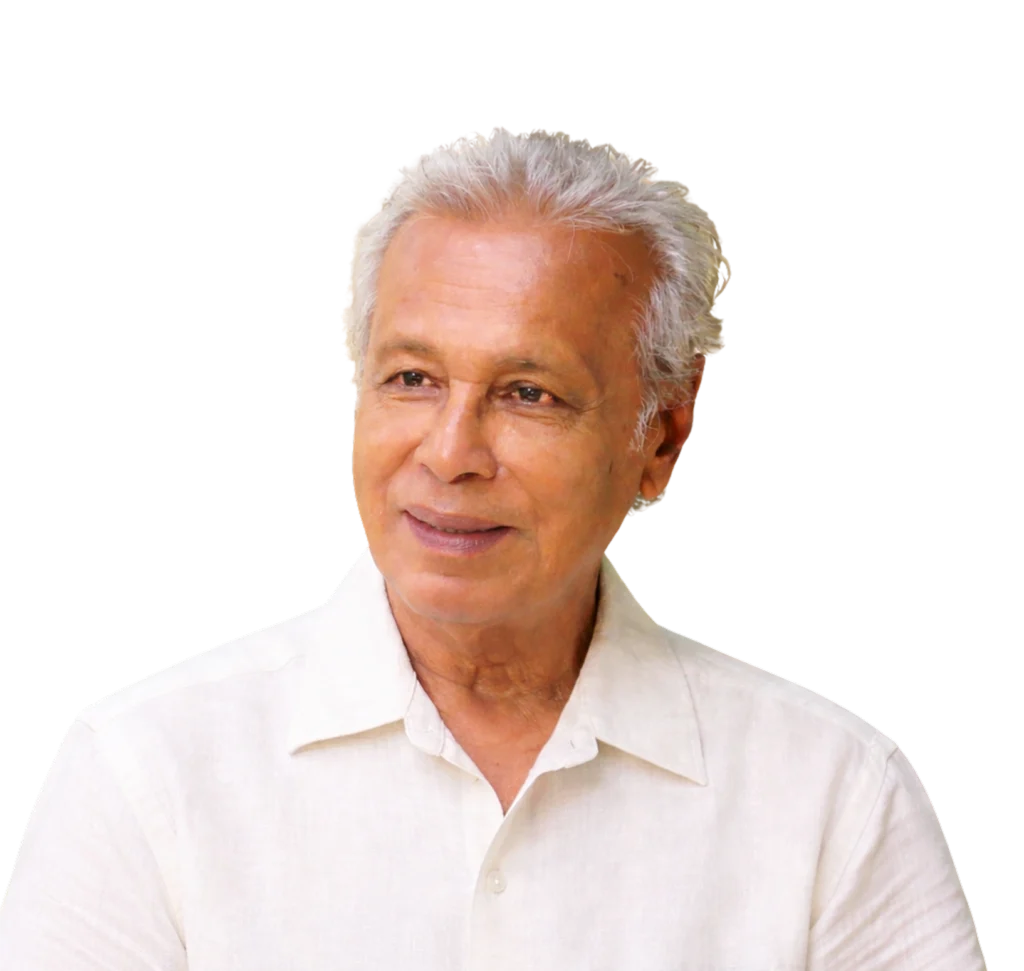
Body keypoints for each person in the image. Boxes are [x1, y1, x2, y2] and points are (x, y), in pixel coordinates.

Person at [0, 128, 987, 969]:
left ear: (660, 439)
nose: (449, 453)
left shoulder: (832, 793)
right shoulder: (145, 772)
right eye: (412, 378)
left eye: (528, 394)